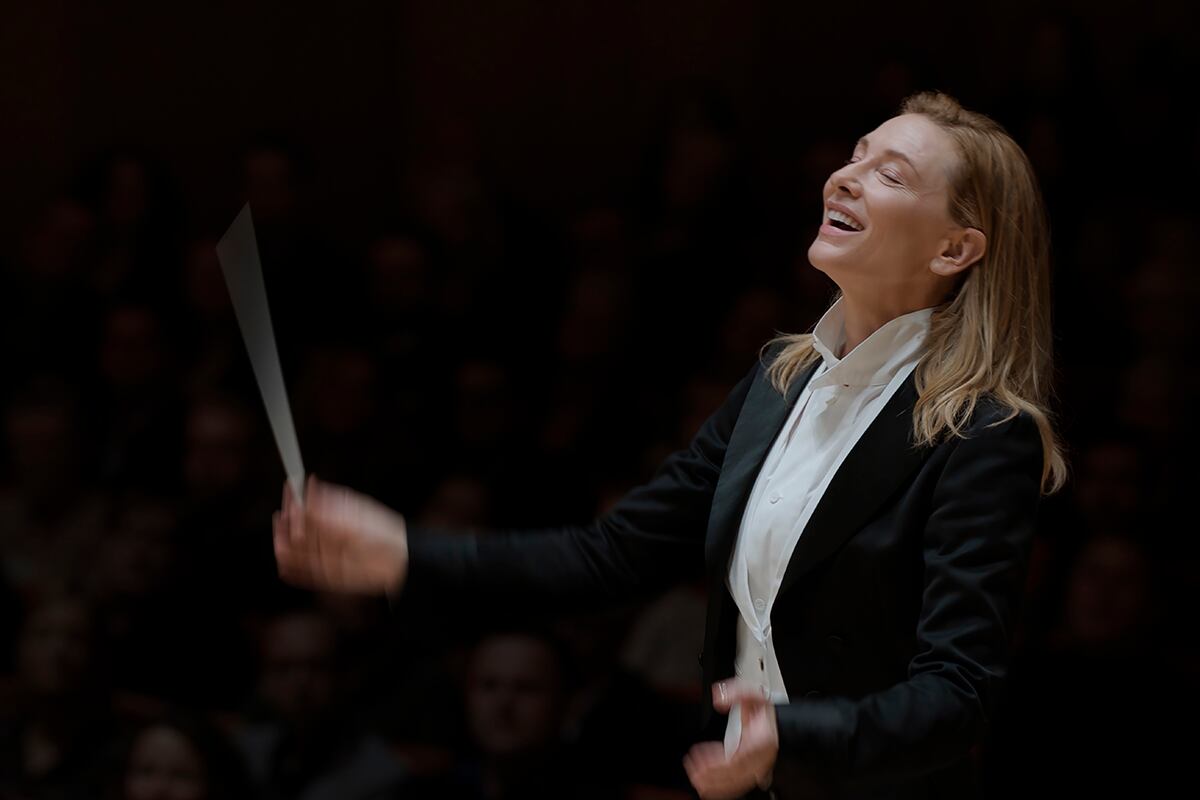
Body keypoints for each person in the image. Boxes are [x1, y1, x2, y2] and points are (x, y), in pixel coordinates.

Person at [272, 91, 1067, 800]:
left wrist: (792, 734)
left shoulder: (985, 432)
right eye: (855, 156)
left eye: (888, 174)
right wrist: (405, 553)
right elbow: (612, 554)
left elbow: (957, 693)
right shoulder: (779, 381)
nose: (844, 179)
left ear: (954, 250)